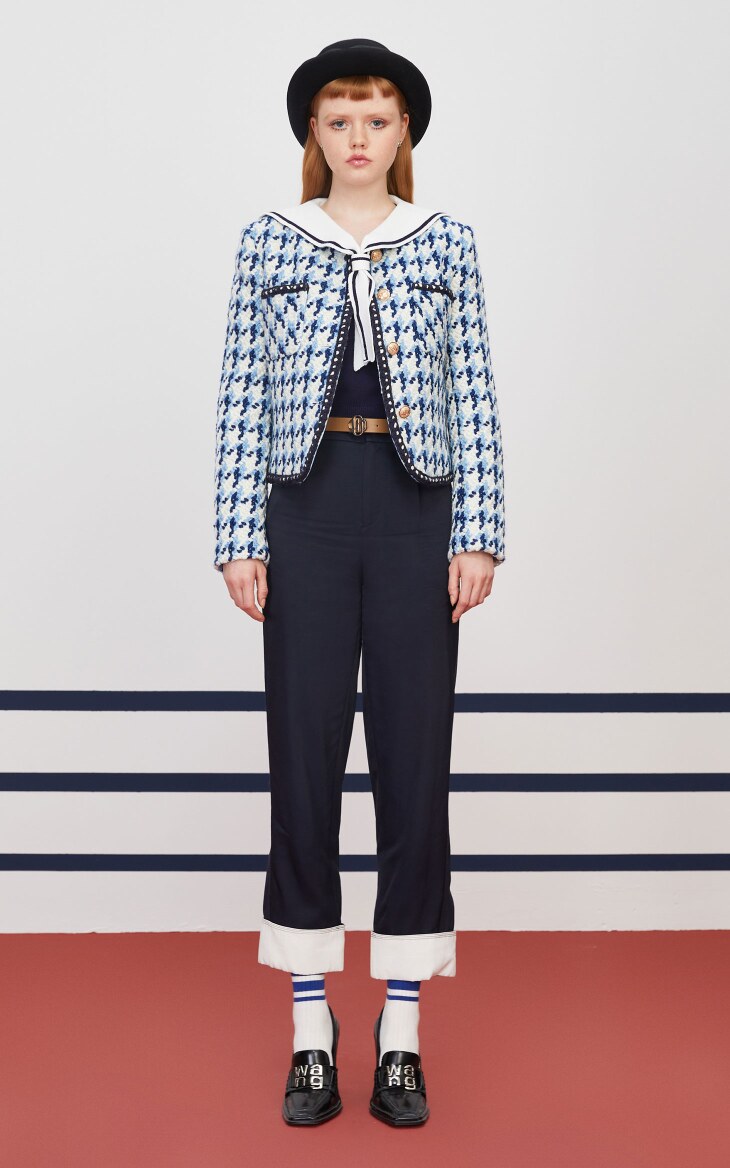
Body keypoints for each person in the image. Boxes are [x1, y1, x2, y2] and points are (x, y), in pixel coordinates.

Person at [213, 37, 506, 1127]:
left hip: (416, 507)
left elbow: (475, 389)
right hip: (305, 508)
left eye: (376, 120)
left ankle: (400, 1032)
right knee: (302, 758)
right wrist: (237, 535)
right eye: (338, 120)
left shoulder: (446, 241)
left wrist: (479, 534)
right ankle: (308, 1028)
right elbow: (241, 387)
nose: (357, 138)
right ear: (313, 132)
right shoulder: (269, 238)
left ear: (403, 131)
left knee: (414, 763)